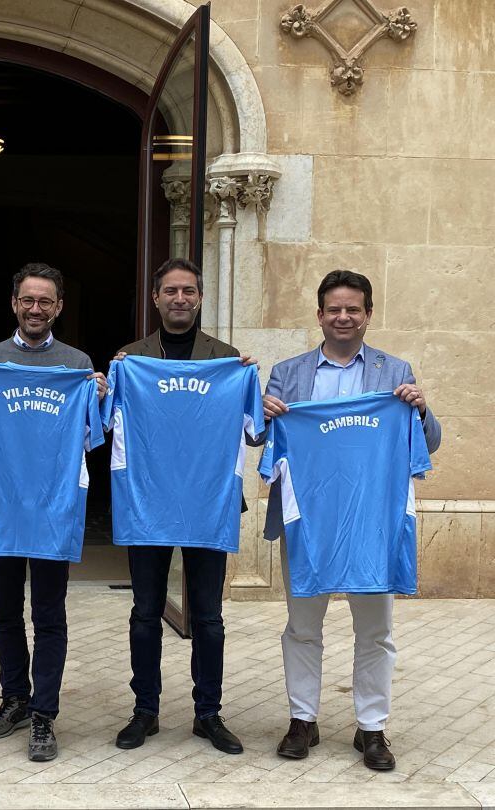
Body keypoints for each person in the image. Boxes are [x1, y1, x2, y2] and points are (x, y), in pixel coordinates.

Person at [261, 270, 441, 770]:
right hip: (307, 522)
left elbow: (428, 441)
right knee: (302, 626)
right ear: (319, 315)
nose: (343, 317)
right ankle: (302, 719)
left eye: (353, 309)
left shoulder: (394, 370)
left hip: (371, 519)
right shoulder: (287, 372)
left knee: (376, 629)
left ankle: (373, 729)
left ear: (367, 314)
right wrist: (265, 411)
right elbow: (261, 437)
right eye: (334, 309)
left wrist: (421, 410)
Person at [0, 262, 107, 762]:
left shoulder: (77, 363)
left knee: (50, 614)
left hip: (54, 509)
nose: (35, 309)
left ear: (58, 307)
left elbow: (95, 436)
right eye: (27, 300)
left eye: (45, 301)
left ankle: (44, 714)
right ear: (14, 303)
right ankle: (14, 697)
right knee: (3, 610)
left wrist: (97, 394)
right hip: (1, 507)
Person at [111, 258, 255, 755]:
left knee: (209, 617)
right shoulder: (130, 359)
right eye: (170, 291)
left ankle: (208, 714)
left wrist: (253, 386)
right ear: (156, 298)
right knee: (145, 613)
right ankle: (144, 711)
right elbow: (106, 426)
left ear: (199, 298)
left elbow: (253, 432)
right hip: (148, 502)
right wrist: (107, 387)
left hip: (207, 501)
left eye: (188, 291)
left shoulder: (228, 360)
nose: (179, 299)